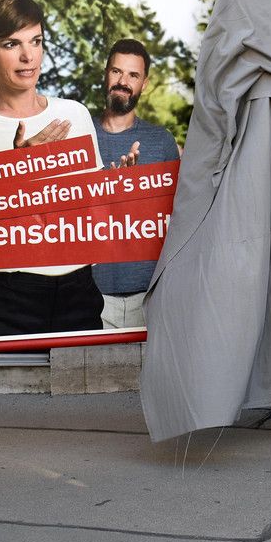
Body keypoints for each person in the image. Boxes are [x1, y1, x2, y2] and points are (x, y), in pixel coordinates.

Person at [0, 0, 136, 338]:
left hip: (79, 291)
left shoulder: (74, 114)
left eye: (36, 41)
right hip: (4, 298)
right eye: (11, 44)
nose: (28, 56)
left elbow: (93, 219)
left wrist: (113, 188)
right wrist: (17, 170)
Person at [91, 39, 180, 328]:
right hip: (90, 296)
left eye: (133, 75)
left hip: (150, 297)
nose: (123, 82)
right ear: (105, 74)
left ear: (145, 83)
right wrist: (108, 191)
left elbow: (178, 217)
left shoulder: (161, 141)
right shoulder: (79, 135)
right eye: (116, 71)